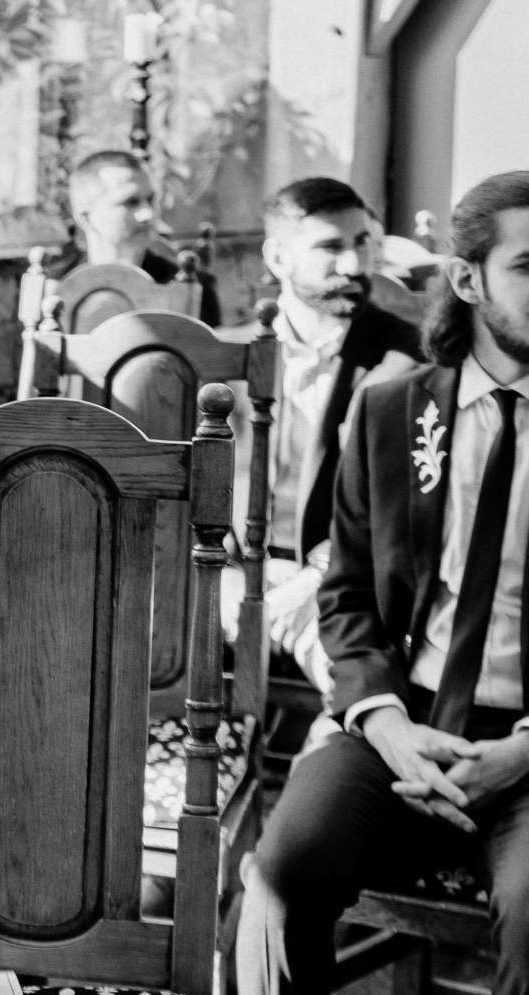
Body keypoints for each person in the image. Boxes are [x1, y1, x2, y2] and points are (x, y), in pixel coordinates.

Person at [233, 170, 529, 995]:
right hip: (397, 719)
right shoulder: (395, 408)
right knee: (278, 870)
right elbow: (348, 595)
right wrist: (386, 721)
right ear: (469, 278)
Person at [232, 177, 423, 694]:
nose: (355, 265)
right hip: (229, 572)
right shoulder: (227, 357)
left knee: (358, 685)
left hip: (340, 581)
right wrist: (227, 583)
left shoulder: (406, 361)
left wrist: (311, 582)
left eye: (363, 243)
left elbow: (399, 510)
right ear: (278, 257)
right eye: (330, 247)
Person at [53, 150, 223, 327]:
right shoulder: (53, 286)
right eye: (130, 202)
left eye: (151, 199)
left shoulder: (193, 287)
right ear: (85, 218)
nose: (147, 214)